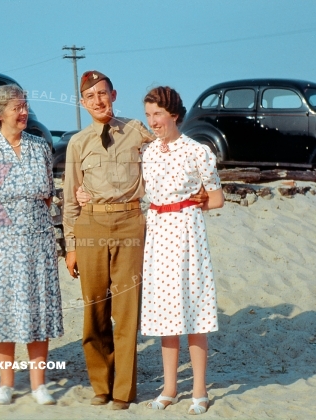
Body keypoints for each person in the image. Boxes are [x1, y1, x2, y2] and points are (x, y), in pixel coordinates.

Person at [63, 71, 207, 410]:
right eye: (90, 96)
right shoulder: (77, 143)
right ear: (83, 104)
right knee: (95, 310)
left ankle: (123, 392)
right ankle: (101, 384)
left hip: (131, 224)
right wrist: (71, 246)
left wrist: (198, 190)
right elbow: (70, 198)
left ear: (114, 95)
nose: (98, 100)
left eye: (103, 93)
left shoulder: (138, 131)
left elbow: (172, 146)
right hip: (91, 226)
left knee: (127, 312)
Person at [0, 84, 63, 406]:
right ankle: (6, 384)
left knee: (37, 310)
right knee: (4, 311)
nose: (24, 112)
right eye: (17, 107)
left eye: (25, 106)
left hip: (37, 244)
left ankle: (38, 385)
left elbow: (47, 195)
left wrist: (29, 228)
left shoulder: (40, 147)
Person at [141, 86, 223, 415]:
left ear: (174, 115)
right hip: (158, 233)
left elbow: (216, 198)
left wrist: (195, 203)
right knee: (165, 313)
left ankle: (199, 389)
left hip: (187, 232)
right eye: (147, 115)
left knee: (193, 310)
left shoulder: (197, 151)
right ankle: (170, 388)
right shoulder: (148, 152)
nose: (152, 121)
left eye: (157, 114)